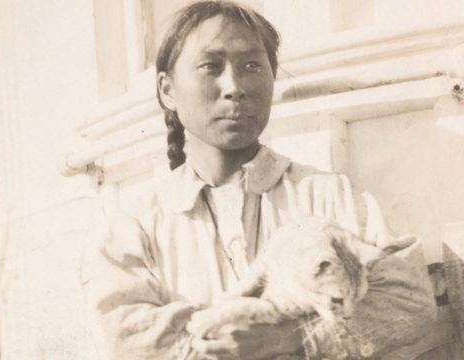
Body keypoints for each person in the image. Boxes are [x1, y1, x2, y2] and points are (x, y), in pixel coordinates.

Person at [82, 1, 436, 359]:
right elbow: (119, 331)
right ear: (167, 89)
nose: (234, 86)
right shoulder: (136, 221)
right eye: (210, 67)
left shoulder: (329, 195)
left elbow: (409, 297)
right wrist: (221, 344)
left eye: (252, 66)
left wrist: (297, 340)